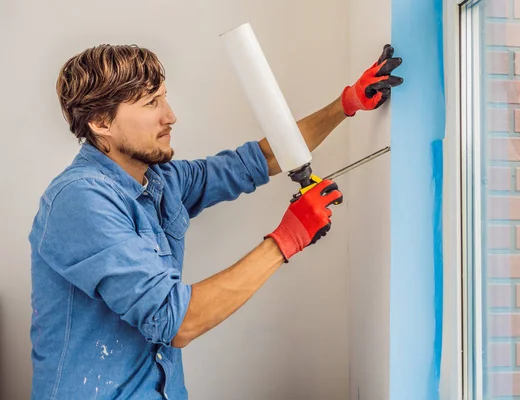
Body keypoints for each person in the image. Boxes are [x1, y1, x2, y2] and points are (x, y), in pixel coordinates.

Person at [28, 43, 402, 399]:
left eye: (164, 97)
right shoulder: (81, 200)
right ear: (99, 122)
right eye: (150, 103)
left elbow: (258, 160)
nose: (170, 116)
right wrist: (287, 237)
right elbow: (177, 321)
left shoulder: (157, 180)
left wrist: (346, 103)